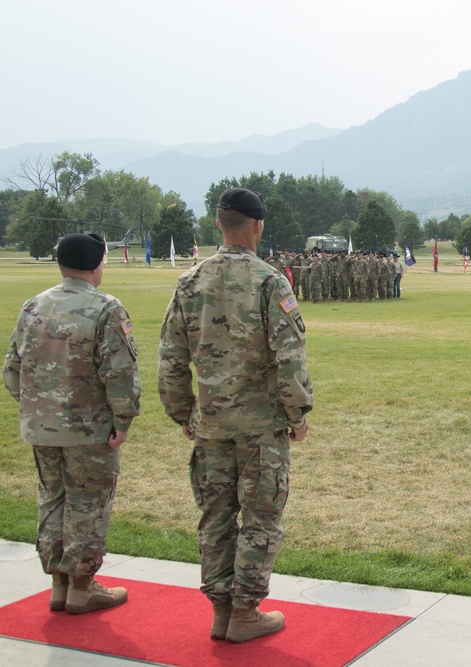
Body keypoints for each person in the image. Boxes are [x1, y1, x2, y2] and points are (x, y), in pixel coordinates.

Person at [158, 188, 313, 644]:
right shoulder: (269, 281)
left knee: (216, 517)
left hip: (210, 425)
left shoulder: (190, 281)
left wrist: (183, 412)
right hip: (260, 427)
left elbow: (170, 358)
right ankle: (244, 611)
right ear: (258, 226)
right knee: (261, 517)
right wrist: (298, 412)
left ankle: (222, 610)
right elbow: (290, 356)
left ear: (219, 224)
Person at [3, 233, 141, 614]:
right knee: (89, 503)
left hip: (42, 427)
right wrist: (123, 420)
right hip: (89, 429)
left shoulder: (34, 306)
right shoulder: (105, 308)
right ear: (96, 265)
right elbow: (120, 375)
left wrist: (40, 408)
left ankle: (58, 584)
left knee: (53, 500)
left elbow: (12, 370)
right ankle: (81, 585)